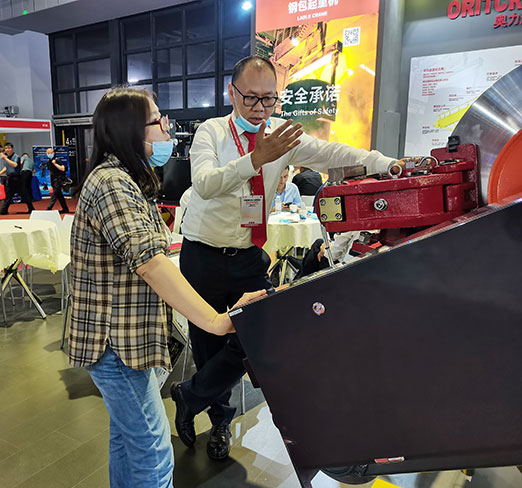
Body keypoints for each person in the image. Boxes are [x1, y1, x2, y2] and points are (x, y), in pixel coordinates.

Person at [171, 55, 404, 461]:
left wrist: (384, 163)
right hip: (203, 255)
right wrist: (255, 160)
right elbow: (204, 184)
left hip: (248, 256)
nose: (260, 108)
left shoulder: (280, 134)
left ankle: (189, 395)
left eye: (269, 99)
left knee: (264, 334)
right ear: (232, 93)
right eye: (251, 98)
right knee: (208, 343)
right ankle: (221, 420)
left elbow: (331, 152)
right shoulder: (211, 131)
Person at [69, 87, 263, 488]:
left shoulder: (126, 179)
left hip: (125, 340)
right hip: (114, 344)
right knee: (154, 455)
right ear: (131, 130)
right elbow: (150, 263)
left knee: (127, 442)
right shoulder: (111, 183)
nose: (167, 128)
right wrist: (216, 320)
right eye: (158, 120)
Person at [0, 142, 34, 215]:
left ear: (12, 149)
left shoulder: (16, 157)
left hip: (17, 179)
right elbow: (6, 168)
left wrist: (5, 158)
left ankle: (31, 209)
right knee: (8, 195)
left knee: (24, 194)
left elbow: (15, 165)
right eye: (6, 148)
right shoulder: (7, 157)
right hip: (10, 178)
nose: (7, 150)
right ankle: (4, 210)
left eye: (9, 148)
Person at [46, 148, 70, 213]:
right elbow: (50, 172)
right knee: (59, 195)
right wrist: (51, 182)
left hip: (59, 179)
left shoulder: (57, 160)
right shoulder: (48, 162)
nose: (50, 154)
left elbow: (63, 169)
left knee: (54, 195)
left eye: (51, 153)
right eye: (48, 153)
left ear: (54, 153)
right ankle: (65, 209)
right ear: (46, 154)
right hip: (53, 180)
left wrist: (55, 164)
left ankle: (48, 209)